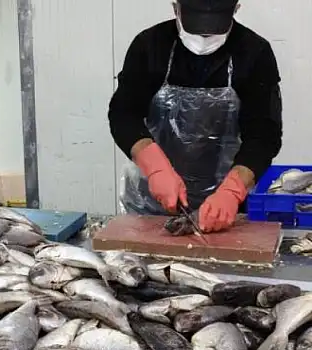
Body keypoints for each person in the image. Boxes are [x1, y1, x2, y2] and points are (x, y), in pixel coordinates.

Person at [109, 0, 283, 232]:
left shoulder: (254, 52)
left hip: (225, 210)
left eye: (215, 25)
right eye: (196, 23)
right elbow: (123, 114)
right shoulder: (149, 46)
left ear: (236, 9)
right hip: (149, 204)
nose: (204, 36)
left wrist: (232, 190)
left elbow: (264, 135)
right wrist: (155, 167)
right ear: (175, 8)